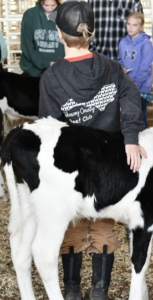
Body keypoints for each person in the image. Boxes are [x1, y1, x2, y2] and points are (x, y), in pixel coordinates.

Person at [39, 1, 147, 299]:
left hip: (69, 170)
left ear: (59, 34)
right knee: (103, 227)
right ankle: (99, 292)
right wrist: (130, 137)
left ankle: (72, 291)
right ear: (93, 32)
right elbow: (132, 94)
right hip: (108, 166)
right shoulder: (111, 68)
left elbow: (48, 128)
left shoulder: (51, 78)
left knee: (70, 227)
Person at [119, 12, 153, 128]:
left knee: (140, 118)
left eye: (135, 25)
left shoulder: (146, 44)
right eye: (128, 24)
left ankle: (143, 145)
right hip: (127, 86)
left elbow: (146, 69)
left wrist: (135, 86)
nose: (130, 27)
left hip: (140, 88)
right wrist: (122, 67)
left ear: (141, 27)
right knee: (126, 117)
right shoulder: (123, 42)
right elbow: (120, 60)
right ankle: (125, 143)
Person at [20, 0, 65, 77]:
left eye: (53, 5)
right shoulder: (30, 15)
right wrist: (44, 63)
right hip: (33, 72)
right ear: (41, 2)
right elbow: (27, 45)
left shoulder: (64, 15)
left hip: (59, 71)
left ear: (58, 2)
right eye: (46, 5)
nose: (50, 9)